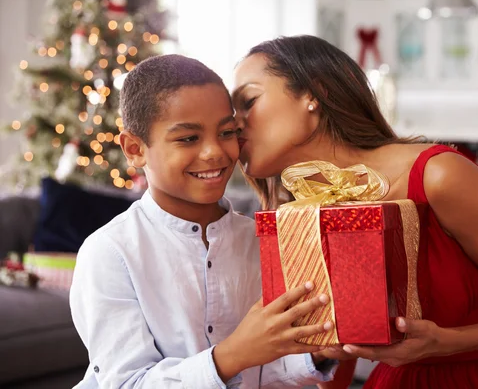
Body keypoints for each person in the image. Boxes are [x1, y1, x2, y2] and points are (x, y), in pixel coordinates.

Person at [231, 35, 478, 388]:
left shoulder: (440, 176)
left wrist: (451, 341)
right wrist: (328, 351)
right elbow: (338, 366)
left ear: (317, 94)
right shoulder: (301, 213)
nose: (235, 123)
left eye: (248, 100)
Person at [69, 54, 339, 388]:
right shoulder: (110, 253)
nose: (215, 152)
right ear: (135, 148)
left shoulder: (261, 239)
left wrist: (315, 354)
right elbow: (128, 383)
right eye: (188, 138)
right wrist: (234, 354)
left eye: (227, 132)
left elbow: (261, 371)